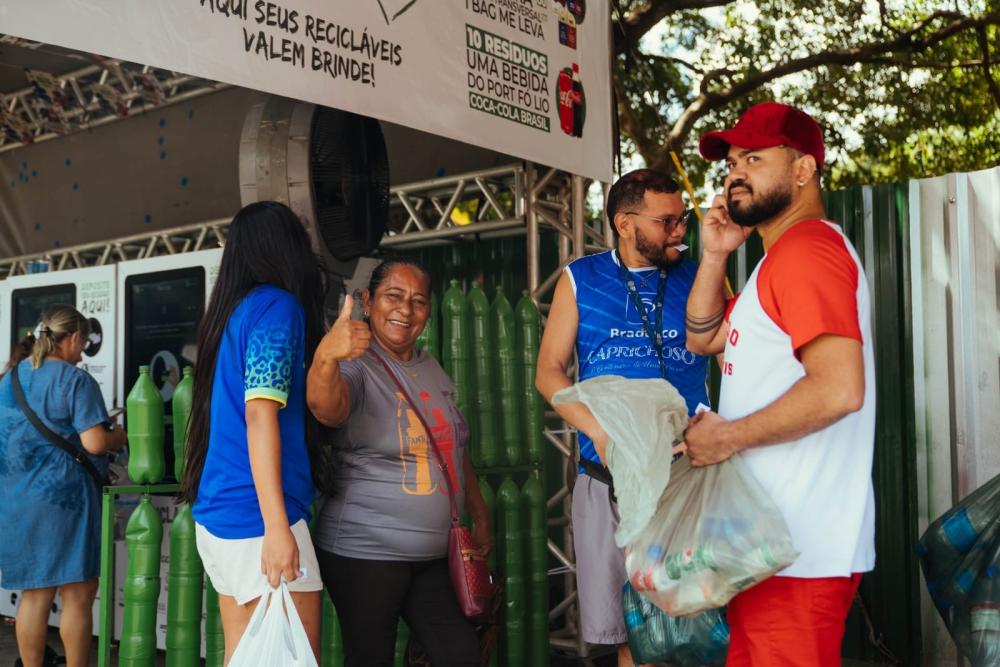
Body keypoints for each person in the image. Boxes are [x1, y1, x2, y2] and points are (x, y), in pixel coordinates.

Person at [684, 101, 876, 666]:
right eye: (731, 164)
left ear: (803, 170)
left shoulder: (808, 251)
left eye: (753, 158)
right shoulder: (777, 260)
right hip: (765, 550)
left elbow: (840, 389)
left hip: (799, 552)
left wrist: (726, 437)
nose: (734, 174)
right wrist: (715, 254)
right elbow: (704, 337)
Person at [535, 169, 712, 666]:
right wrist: (599, 432)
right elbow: (548, 373)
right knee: (627, 635)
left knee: (695, 628)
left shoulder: (699, 275)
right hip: (606, 477)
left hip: (686, 478)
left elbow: (731, 356)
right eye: (666, 221)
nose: (679, 231)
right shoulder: (581, 278)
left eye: (682, 219)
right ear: (624, 223)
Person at [307, 259, 491, 667]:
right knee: (370, 659)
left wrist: (478, 512)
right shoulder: (355, 364)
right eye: (393, 296)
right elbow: (325, 409)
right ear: (368, 301)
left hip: (431, 556)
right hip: (365, 553)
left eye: (418, 301)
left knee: (461, 655)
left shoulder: (430, 367)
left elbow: (451, 447)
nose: (405, 310)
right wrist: (325, 358)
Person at [182, 201, 326, 663]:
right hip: (257, 520)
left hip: (221, 516)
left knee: (245, 654)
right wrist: (277, 528)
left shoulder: (231, 314)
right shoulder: (277, 308)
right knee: (294, 655)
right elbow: (260, 414)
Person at [0, 305, 126, 667]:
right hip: (65, 500)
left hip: (17, 498)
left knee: (35, 594)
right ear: (72, 338)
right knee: (78, 592)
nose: (83, 351)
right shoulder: (75, 380)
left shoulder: (10, 379)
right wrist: (117, 435)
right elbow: (95, 443)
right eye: (83, 342)